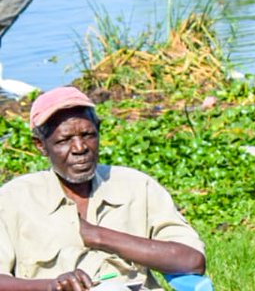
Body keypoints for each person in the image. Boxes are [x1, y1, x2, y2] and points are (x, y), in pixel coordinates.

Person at [0, 87, 206, 290]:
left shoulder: (136, 186)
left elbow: (192, 260)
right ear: (41, 145)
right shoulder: (14, 200)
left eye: (88, 135)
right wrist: (51, 286)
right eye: (64, 140)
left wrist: (99, 237)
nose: (80, 148)